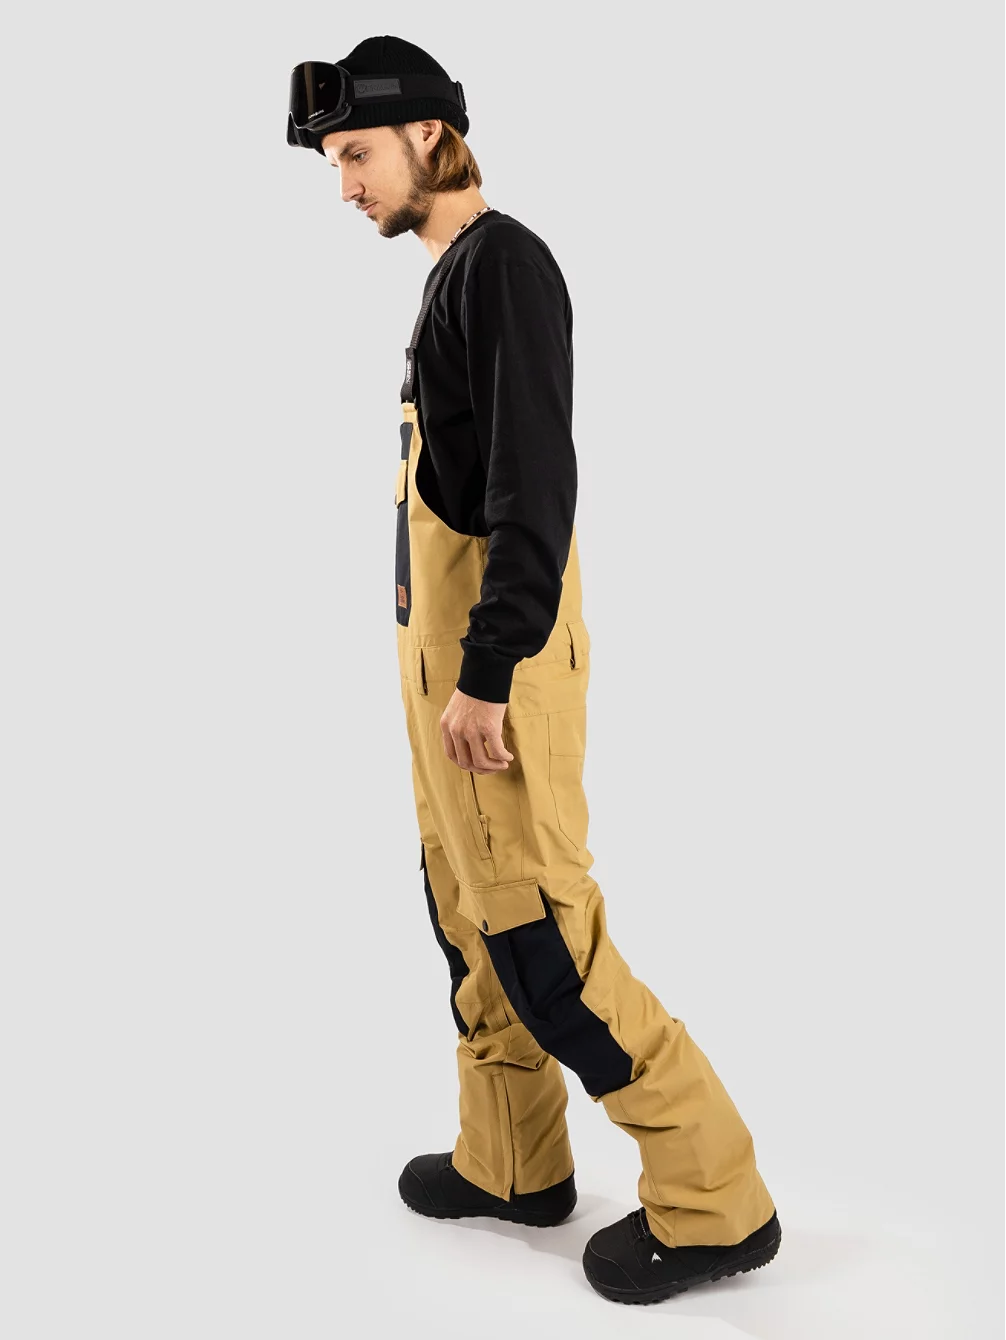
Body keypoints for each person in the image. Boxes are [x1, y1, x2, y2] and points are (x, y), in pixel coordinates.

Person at [286, 33, 781, 1305]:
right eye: (333, 161)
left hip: (489, 670)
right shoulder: (452, 278)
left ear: (430, 135)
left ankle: (716, 1198)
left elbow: (533, 487)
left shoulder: (502, 266)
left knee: (539, 931)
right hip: (441, 669)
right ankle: (511, 1162)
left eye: (355, 153)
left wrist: (490, 667)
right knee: (467, 918)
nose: (344, 183)